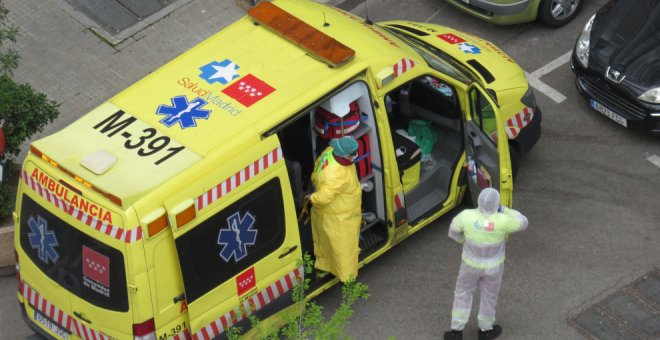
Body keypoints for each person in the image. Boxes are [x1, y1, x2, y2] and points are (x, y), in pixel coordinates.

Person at [444, 188, 528, 340]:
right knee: (489, 296)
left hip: (469, 265)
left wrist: (464, 241)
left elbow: (453, 232)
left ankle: (456, 332)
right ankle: (485, 331)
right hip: (494, 268)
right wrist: (504, 209)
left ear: (479, 200)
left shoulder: (466, 216)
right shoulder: (503, 221)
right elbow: (523, 222)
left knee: (463, 293)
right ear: (496, 204)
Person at [309, 136, 362, 282]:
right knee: (344, 250)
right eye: (353, 155)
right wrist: (312, 198)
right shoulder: (339, 175)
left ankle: (324, 268)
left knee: (325, 244)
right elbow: (322, 198)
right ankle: (348, 278)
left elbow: (317, 168)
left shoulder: (329, 152)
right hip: (340, 219)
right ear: (347, 156)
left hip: (326, 215)